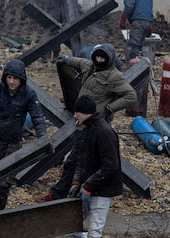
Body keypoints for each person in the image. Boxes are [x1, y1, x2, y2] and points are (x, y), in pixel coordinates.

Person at [37, 43, 135, 202]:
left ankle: (61, 194)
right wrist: (67, 59)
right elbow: (78, 62)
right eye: (97, 56)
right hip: (84, 123)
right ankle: (71, 192)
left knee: (77, 161)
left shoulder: (114, 77)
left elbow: (131, 96)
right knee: (77, 161)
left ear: (109, 59)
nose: (99, 59)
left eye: (103, 57)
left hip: (97, 126)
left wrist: (109, 108)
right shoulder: (90, 66)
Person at [0, 59, 47, 212]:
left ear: (21, 80)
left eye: (15, 78)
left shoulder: (29, 94)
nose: (12, 82)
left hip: (12, 143)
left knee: (4, 184)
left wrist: (43, 138)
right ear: (5, 77)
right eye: (9, 77)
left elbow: (37, 117)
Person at [68, 96, 123, 238]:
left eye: (77, 112)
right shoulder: (86, 130)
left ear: (84, 113)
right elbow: (80, 161)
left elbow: (111, 166)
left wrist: (88, 185)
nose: (74, 115)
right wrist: (76, 183)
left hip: (103, 190)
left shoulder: (104, 132)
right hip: (87, 187)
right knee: (73, 229)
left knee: (95, 232)